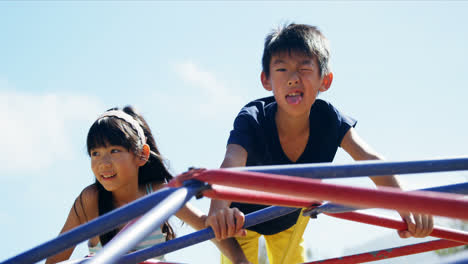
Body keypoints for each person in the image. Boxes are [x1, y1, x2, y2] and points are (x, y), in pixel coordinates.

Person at [207, 23, 434, 264]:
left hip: (289, 217)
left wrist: (409, 207)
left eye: (304, 69)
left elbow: (371, 162)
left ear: (325, 81)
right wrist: (218, 208)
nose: (293, 79)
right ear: (266, 80)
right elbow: (231, 162)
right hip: (242, 219)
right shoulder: (253, 118)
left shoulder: (329, 119)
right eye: (282, 69)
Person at [46, 106, 249, 264]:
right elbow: (56, 258)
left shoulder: (158, 194)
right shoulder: (91, 200)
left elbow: (206, 226)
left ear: (141, 155)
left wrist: (240, 260)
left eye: (114, 151)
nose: (103, 163)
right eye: (95, 153)